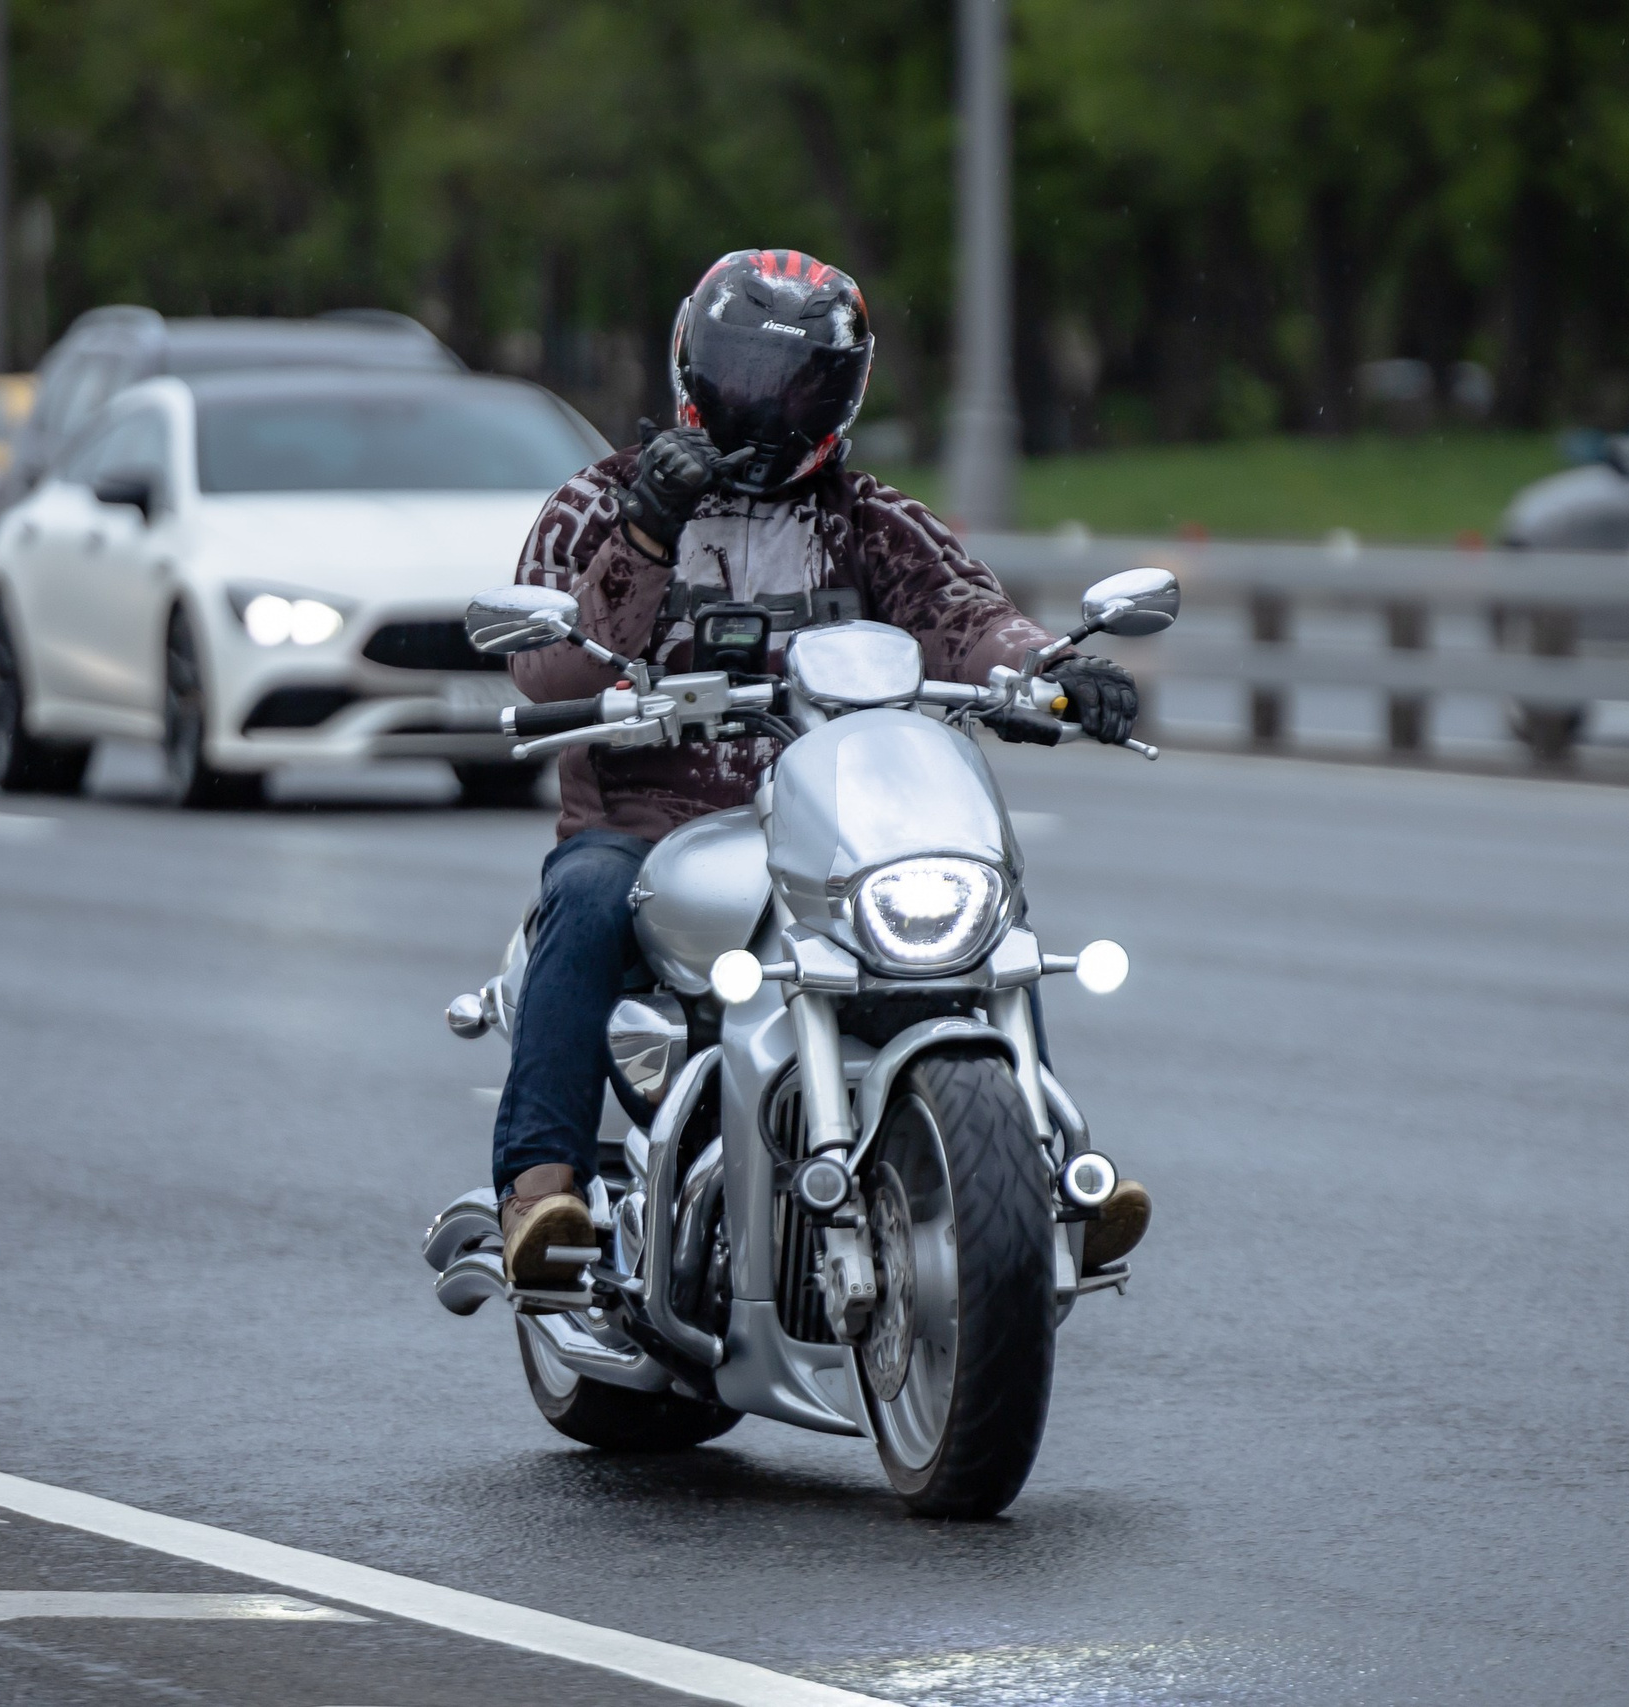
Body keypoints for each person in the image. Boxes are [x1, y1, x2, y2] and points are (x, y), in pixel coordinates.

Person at [491, 248, 1150, 1284]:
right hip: (648, 826)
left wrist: (1051, 673)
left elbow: (962, 615)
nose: (762, 403)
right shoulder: (598, 503)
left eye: (792, 380)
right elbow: (551, 665)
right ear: (692, 365)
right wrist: (649, 532)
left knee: (981, 922)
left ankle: (1041, 1168)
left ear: (839, 391)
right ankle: (542, 1190)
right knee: (580, 900)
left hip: (831, 825)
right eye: (743, 372)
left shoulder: (865, 520)